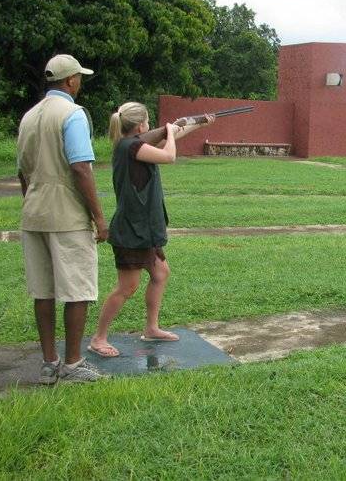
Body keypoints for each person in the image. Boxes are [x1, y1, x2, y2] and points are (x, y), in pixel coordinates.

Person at [88, 103, 214, 357]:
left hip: (144, 228)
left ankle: (151, 328)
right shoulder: (130, 146)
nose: (150, 124)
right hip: (132, 230)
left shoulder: (133, 145)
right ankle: (98, 338)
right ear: (139, 126)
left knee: (160, 273)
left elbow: (168, 137)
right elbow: (169, 155)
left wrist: (197, 123)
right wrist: (171, 130)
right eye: (147, 120)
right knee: (127, 287)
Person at [17, 54, 108, 383]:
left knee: (43, 291)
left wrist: (33, 201)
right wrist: (99, 218)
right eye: (79, 77)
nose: (79, 82)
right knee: (77, 289)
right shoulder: (73, 114)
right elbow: (80, 167)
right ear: (71, 81)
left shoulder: (29, 116)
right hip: (67, 215)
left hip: (33, 213)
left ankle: (49, 363)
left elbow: (22, 172)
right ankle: (72, 363)